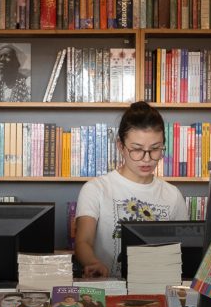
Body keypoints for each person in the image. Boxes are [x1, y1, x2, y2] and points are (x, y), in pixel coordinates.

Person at [73, 102, 187, 278]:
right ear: (120, 146)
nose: (147, 159)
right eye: (137, 149)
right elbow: (83, 241)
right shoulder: (96, 189)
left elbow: (183, 250)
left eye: (155, 149)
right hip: (109, 289)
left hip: (158, 290)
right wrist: (93, 263)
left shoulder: (173, 195)